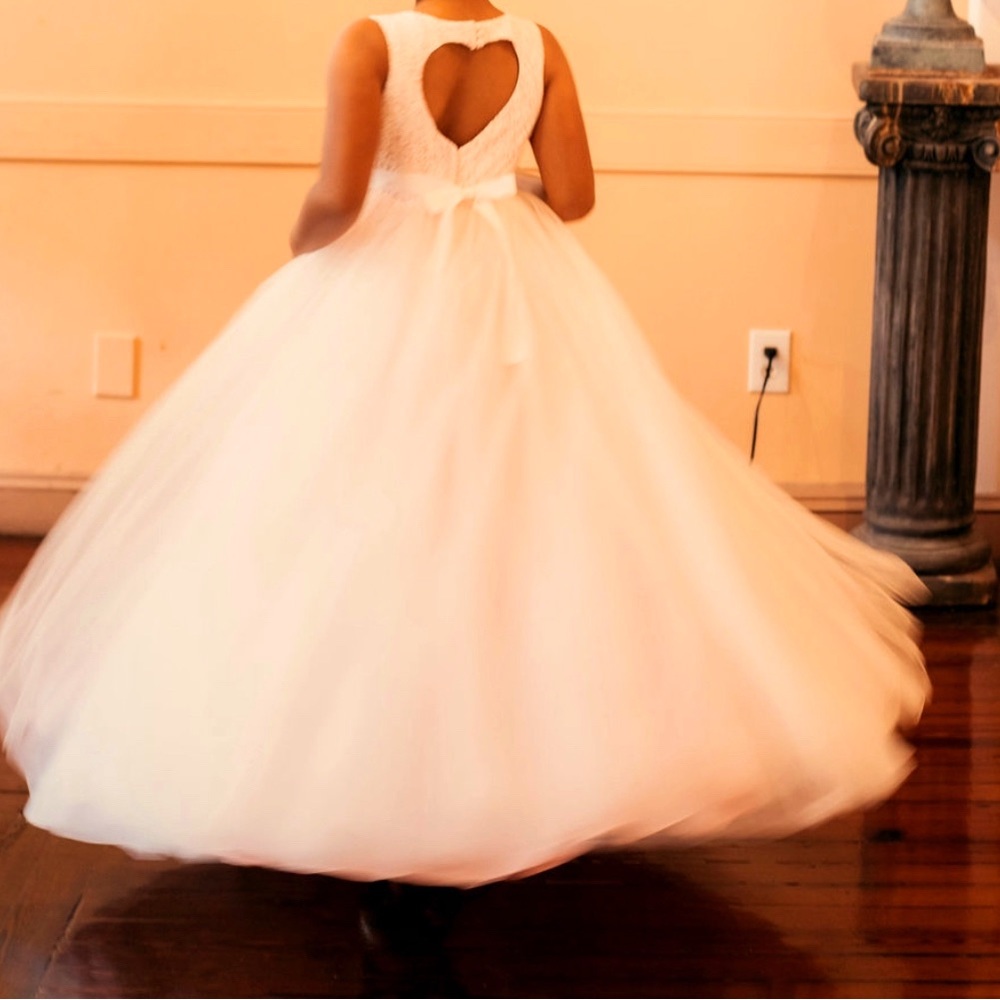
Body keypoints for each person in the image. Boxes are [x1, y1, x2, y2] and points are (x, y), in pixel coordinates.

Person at [0, 0, 929, 895]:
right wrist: (493, 185)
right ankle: (529, 758)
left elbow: (337, 194)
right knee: (526, 507)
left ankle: (367, 772)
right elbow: (572, 197)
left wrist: (302, 246)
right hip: (511, 287)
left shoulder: (369, 42)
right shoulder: (542, 44)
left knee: (353, 510)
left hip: (384, 288)